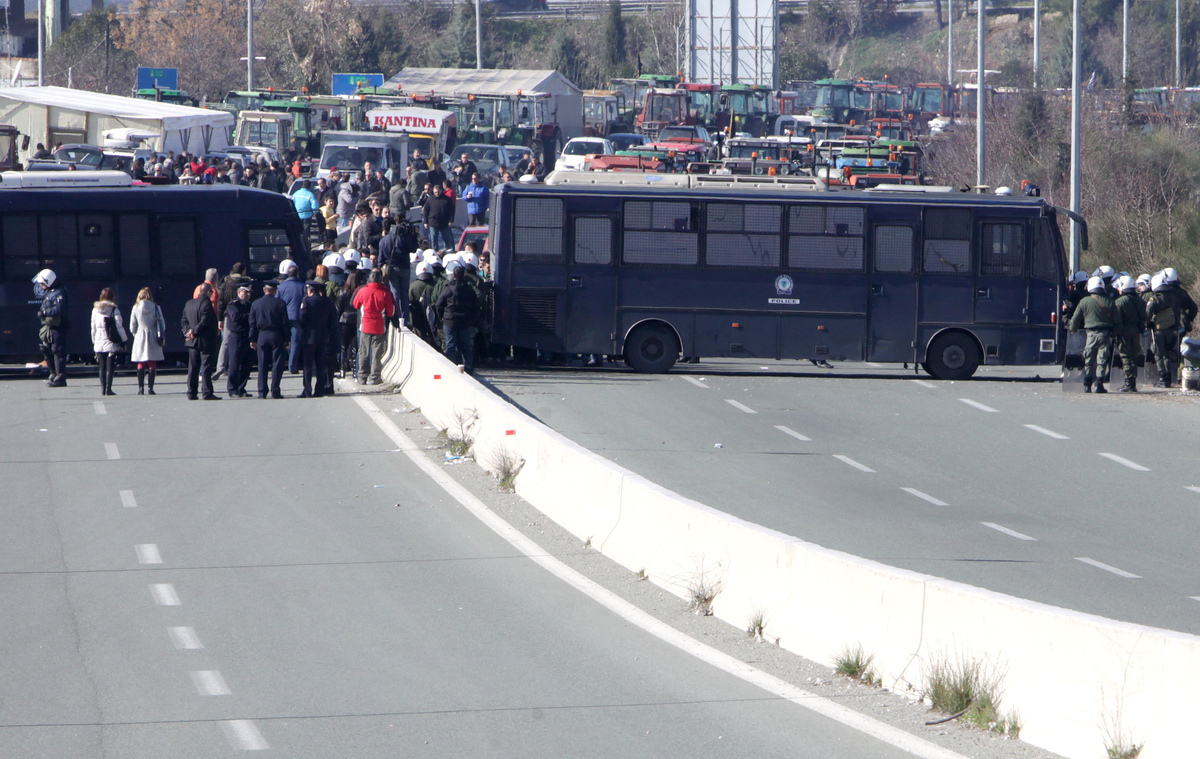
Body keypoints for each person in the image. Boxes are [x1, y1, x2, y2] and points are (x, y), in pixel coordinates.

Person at [1069, 275, 1121, 393]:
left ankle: (1087, 385)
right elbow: (1118, 321)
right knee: (1102, 359)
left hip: (1090, 334)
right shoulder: (1110, 301)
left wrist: (1073, 330)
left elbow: (1075, 319)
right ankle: (1099, 385)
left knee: (1089, 359)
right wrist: (1116, 332)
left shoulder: (1084, 301)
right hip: (1105, 334)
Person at [351, 268, 396, 384]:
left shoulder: (362, 291)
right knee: (376, 353)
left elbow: (355, 304)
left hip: (365, 325)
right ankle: (374, 377)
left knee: (363, 352)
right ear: (381, 279)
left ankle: (362, 376)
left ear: (370, 278)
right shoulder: (385, 293)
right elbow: (391, 312)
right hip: (379, 326)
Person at [436, 261, 481, 374]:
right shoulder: (469, 289)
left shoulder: (448, 289)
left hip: (449, 321)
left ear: (454, 276)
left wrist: (441, 317)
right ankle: (468, 368)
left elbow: (438, 304)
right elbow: (476, 305)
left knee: (450, 345)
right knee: (466, 346)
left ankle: (450, 368)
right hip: (465, 322)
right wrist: (473, 319)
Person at [249, 280, 290, 399]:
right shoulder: (280, 303)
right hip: (276, 335)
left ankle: (262, 391)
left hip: (262, 335)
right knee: (277, 364)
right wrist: (287, 339)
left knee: (262, 364)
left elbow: (252, 323)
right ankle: (275, 391)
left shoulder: (256, 304)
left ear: (264, 290)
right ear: (275, 291)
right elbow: (285, 323)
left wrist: (252, 338)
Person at [298, 280, 339, 397]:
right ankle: (319, 390)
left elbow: (301, 319)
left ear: (310, 291)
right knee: (321, 365)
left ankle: (307, 390)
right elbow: (333, 320)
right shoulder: (328, 302)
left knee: (308, 365)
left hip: (309, 338)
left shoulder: (306, 302)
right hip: (323, 337)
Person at [182, 282, 221, 400]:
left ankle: (191, 392)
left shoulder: (189, 303)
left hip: (192, 341)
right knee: (206, 367)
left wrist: (189, 331)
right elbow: (204, 321)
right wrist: (194, 331)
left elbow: (184, 320)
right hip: (205, 340)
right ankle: (207, 392)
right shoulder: (207, 304)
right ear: (208, 292)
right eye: (212, 292)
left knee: (193, 367)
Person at [34, 269, 69, 387]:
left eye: (43, 283)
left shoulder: (59, 292)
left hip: (57, 326)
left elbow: (60, 309)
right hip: (49, 326)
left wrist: (44, 312)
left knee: (57, 351)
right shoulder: (52, 291)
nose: (42, 286)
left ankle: (60, 377)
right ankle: (53, 373)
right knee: (46, 349)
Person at [90, 287, 128, 396]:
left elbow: (93, 328)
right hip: (111, 340)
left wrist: (94, 341)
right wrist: (124, 339)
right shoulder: (114, 309)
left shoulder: (95, 310)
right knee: (110, 367)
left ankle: (102, 389)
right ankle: (109, 389)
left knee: (101, 366)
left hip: (99, 340)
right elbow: (119, 326)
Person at [128, 287, 166, 395]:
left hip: (140, 335)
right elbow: (162, 324)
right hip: (153, 335)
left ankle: (140, 388)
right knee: (152, 362)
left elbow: (132, 326)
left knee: (141, 362)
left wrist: (136, 334)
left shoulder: (135, 308)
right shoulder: (156, 308)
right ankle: (150, 388)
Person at [1147, 272, 1181, 388]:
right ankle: (1168, 378)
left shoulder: (1154, 299)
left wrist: (1148, 324)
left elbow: (1148, 313)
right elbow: (1177, 313)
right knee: (1167, 353)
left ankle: (1162, 378)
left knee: (1158, 353)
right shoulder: (1173, 297)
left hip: (1158, 330)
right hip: (1171, 329)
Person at [1112, 275, 1144, 393]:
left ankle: (1128, 383)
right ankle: (1133, 383)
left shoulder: (1120, 301)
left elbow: (1117, 319)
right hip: (1136, 331)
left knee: (1125, 357)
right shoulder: (1140, 300)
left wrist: (1116, 333)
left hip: (1124, 331)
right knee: (1134, 357)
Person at [224, 283, 254, 397]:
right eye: (245, 292)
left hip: (247, 336)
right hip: (236, 336)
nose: (248, 295)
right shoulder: (234, 304)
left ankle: (241, 388)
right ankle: (232, 389)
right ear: (239, 292)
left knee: (246, 364)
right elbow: (235, 317)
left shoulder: (250, 305)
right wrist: (250, 316)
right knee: (235, 363)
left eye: (249, 292)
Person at [276, 261, 306, 373]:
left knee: (283, 341)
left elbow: (277, 302)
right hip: (297, 317)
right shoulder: (302, 286)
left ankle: (281, 363)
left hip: (284, 318)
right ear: (297, 274)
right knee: (295, 342)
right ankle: (292, 366)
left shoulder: (280, 287)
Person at [335, 270, 362, 378]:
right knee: (355, 347)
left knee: (343, 347)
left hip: (344, 321)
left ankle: (342, 370)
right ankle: (355, 371)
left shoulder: (343, 293)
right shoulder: (359, 292)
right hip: (356, 320)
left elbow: (338, 309)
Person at [422, 184, 455, 251]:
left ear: (441, 191)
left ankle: (447, 252)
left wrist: (451, 221)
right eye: (435, 192)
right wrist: (426, 222)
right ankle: (435, 253)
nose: (437, 193)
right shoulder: (430, 199)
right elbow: (425, 211)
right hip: (433, 222)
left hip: (444, 223)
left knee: (446, 239)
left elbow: (452, 211)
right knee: (434, 239)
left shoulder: (447, 200)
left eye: (438, 192)